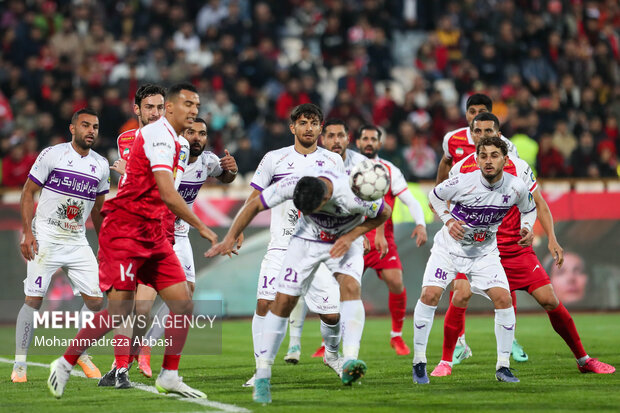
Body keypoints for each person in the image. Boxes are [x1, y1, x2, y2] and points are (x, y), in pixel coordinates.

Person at [46, 83, 217, 399]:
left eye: (196, 104)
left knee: (182, 301)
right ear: (171, 109)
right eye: (187, 103)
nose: (193, 109)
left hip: (154, 233)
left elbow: (164, 195)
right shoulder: (154, 136)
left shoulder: (179, 144)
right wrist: (202, 227)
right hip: (125, 230)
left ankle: (169, 375)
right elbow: (168, 192)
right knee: (120, 313)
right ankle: (66, 362)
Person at [430, 114, 614, 377]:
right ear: (472, 135)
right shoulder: (462, 169)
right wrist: (453, 227)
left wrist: (551, 237)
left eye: (489, 130)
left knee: (550, 300)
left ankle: (584, 359)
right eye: (478, 131)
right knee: (460, 294)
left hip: (515, 249)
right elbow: (444, 201)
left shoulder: (519, 166)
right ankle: (445, 362)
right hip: (479, 249)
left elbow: (538, 202)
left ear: (499, 132)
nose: (483, 135)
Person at [206, 167, 392, 403]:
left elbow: (384, 213)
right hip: (306, 241)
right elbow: (253, 205)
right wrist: (231, 236)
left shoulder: (354, 194)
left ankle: (349, 360)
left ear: (326, 198)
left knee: (349, 289)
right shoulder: (292, 184)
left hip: (344, 238)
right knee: (283, 302)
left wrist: (353, 235)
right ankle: (263, 373)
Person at [414, 136, 537, 384]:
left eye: (494, 155)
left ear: (505, 158)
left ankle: (503, 366)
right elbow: (435, 196)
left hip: (484, 253)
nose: (488, 161)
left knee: (504, 299)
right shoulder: (462, 181)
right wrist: (448, 220)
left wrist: (527, 227)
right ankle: (419, 362)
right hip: (449, 250)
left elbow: (529, 208)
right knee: (429, 295)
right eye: (483, 156)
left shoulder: (516, 186)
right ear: (477, 158)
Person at [238, 104, 345, 388]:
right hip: (282, 246)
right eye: (303, 122)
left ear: (320, 128)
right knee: (265, 304)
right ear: (292, 127)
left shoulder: (333, 161)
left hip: (318, 248)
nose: (308, 128)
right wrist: (238, 230)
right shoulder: (275, 159)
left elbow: (341, 203)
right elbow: (254, 197)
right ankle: (261, 368)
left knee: (331, 314)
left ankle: (332, 355)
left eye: (313, 123)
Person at [135, 117, 238, 377]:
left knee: (185, 295)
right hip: (154, 233)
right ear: (182, 134)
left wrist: (232, 171)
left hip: (179, 235)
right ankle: (122, 358)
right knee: (142, 305)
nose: (197, 138)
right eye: (191, 132)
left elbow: (224, 177)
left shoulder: (207, 161)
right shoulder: (170, 156)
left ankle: (145, 347)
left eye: (202, 134)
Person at [12, 108, 110, 383]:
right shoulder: (52, 154)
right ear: (72, 128)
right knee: (33, 299)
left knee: (97, 301)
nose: (91, 130)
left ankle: (79, 352)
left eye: (95, 127)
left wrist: (105, 245)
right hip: (46, 237)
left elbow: (99, 210)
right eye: (86, 125)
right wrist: (27, 233)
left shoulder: (101, 165)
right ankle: (20, 366)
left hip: (78, 240)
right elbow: (28, 193)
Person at [435, 97, 521, 365]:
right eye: (472, 114)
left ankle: (511, 339)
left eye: (482, 115)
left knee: (504, 286)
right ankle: (459, 343)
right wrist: (443, 206)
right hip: (462, 223)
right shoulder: (453, 140)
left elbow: (514, 183)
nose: (477, 120)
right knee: (460, 288)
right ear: (467, 117)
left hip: (494, 225)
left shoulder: (508, 148)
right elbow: (445, 167)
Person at [284, 118, 367, 361]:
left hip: (347, 241)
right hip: (312, 238)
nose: (336, 141)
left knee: (347, 293)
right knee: (295, 290)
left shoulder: (362, 166)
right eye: (330, 136)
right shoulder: (311, 164)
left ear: (348, 139)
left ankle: (346, 356)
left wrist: (366, 232)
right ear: (323, 139)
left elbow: (375, 204)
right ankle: (294, 344)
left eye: (340, 135)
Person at [356, 124, 427, 355]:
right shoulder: (350, 169)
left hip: (383, 237)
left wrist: (421, 224)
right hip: (354, 235)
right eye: (364, 138)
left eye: (373, 139)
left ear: (379, 143)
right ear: (357, 143)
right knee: (344, 288)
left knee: (396, 282)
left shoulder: (390, 170)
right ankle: (330, 342)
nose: (368, 142)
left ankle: (396, 336)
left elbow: (410, 200)